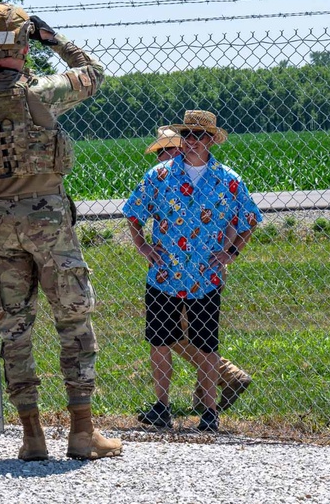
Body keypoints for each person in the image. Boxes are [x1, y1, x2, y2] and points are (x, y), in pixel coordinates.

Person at [0, 4, 122, 461]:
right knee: (73, 318)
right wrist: (52, 39)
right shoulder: (41, 90)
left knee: (14, 329)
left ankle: (32, 436)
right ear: (22, 42)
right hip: (49, 221)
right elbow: (92, 73)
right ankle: (81, 431)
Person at [123, 110, 261, 432]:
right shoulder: (158, 176)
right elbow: (132, 213)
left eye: (199, 136)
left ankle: (210, 414)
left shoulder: (229, 180)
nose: (191, 142)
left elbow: (249, 220)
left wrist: (231, 252)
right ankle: (162, 406)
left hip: (205, 277)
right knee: (160, 342)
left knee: (206, 345)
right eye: (187, 135)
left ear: (212, 139)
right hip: (164, 274)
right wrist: (143, 246)